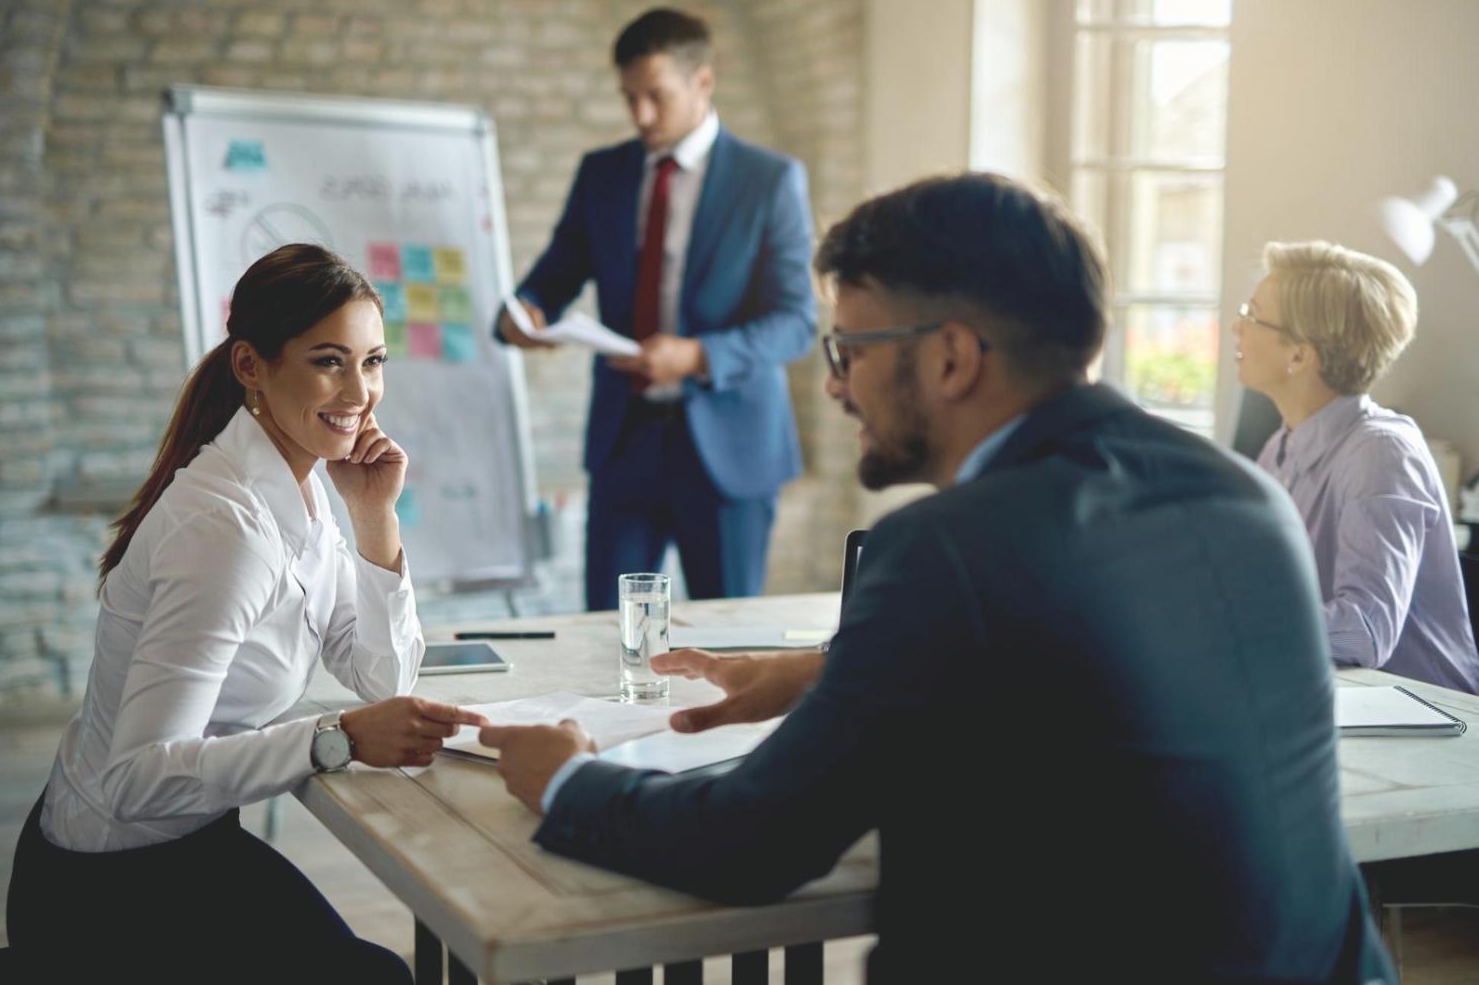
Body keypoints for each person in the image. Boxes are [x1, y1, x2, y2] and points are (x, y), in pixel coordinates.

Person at [476, 175, 1394, 982]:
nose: (835, 387)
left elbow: (750, 841)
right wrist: (824, 674)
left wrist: (566, 780)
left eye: (850, 351)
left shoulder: (945, 548)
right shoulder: (1241, 493)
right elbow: (1081, 671)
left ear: (951, 356)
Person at [6, 245, 483, 981]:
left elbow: (383, 679)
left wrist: (375, 519)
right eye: (329, 361)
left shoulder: (305, 485)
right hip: (104, 882)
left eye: (374, 360)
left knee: (375, 970)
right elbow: (137, 779)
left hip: (187, 839)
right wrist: (339, 737)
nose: (360, 390)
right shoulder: (224, 529)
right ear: (251, 366)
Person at [496, 7, 816, 610]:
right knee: (605, 639)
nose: (640, 115)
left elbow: (797, 321)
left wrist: (697, 355)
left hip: (731, 452)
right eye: (628, 98)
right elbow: (548, 281)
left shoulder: (769, 180)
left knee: (726, 644)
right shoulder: (602, 174)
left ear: (703, 81)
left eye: (655, 96)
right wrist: (525, 317)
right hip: (626, 444)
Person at [1234, 241, 1479, 693]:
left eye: (1252, 315)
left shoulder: (1381, 453)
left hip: (1430, 724)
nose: (1237, 327)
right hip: (1340, 701)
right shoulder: (1279, 449)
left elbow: (1366, 632)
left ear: (1299, 356)